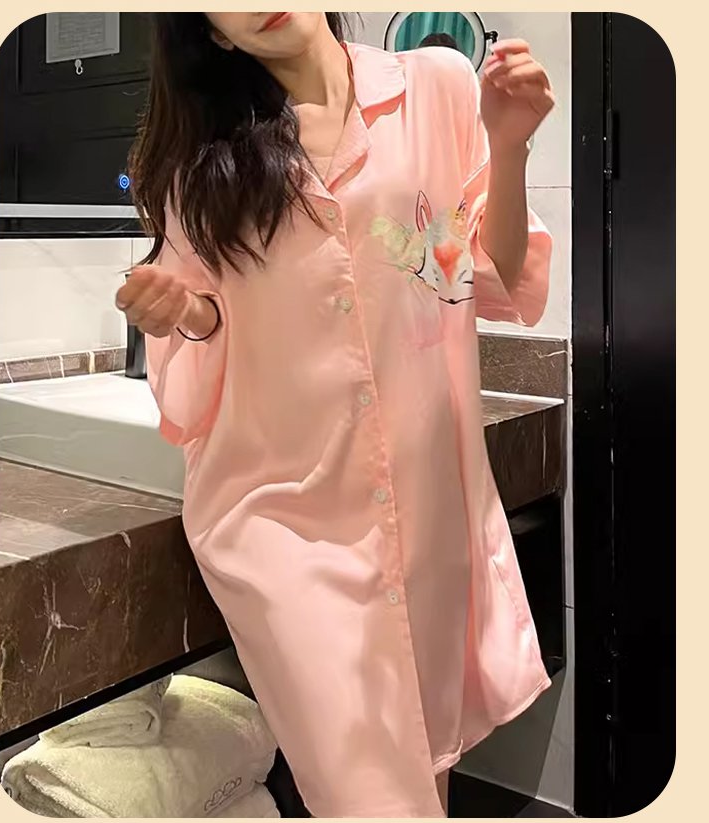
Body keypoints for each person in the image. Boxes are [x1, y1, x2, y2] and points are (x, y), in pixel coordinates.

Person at [116, 12, 555, 818]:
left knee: (420, 758)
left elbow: (491, 273)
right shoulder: (199, 168)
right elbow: (199, 369)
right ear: (214, 34)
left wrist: (511, 144)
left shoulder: (434, 87)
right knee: (368, 791)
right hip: (279, 521)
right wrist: (188, 316)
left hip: (422, 502)